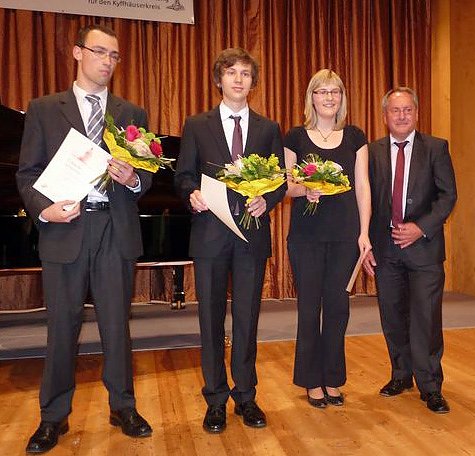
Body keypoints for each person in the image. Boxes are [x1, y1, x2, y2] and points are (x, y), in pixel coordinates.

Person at [16, 25, 153, 454]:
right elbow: (27, 173)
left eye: (114, 55)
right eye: (100, 52)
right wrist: (45, 210)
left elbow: (147, 177)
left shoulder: (133, 113)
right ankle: (52, 417)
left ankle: (123, 407)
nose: (108, 61)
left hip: (115, 229)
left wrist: (133, 179)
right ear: (77, 53)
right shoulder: (44, 109)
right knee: (62, 328)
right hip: (65, 228)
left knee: (116, 327)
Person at [174, 48, 285, 433]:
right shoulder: (196, 125)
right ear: (218, 79)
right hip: (210, 235)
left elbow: (279, 179)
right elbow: (183, 175)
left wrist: (267, 199)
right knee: (210, 320)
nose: (239, 79)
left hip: (251, 236)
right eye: (231, 72)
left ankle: (246, 395)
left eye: (246, 73)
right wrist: (190, 193)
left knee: (247, 318)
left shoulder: (268, 129)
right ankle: (216, 399)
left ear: (253, 82)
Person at [362, 87, 457, 414]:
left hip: (425, 249)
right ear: (385, 116)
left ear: (416, 113)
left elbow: (448, 196)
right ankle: (401, 374)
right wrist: (366, 243)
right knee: (392, 315)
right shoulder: (371, 152)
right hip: (386, 249)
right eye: (395, 110)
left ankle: (430, 386)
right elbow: (364, 200)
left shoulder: (436, 148)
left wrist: (421, 227)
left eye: (407, 110)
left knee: (426, 319)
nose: (401, 116)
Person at [285, 69, 371, 408]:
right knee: (309, 309)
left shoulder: (355, 136)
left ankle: (333, 378)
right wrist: (306, 189)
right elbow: (286, 186)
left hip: (345, 234)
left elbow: (362, 186)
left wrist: (364, 232)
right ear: (312, 97)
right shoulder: (295, 137)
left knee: (338, 308)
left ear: (342, 98)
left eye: (335, 91)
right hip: (306, 236)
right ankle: (311, 380)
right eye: (322, 91)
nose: (329, 97)